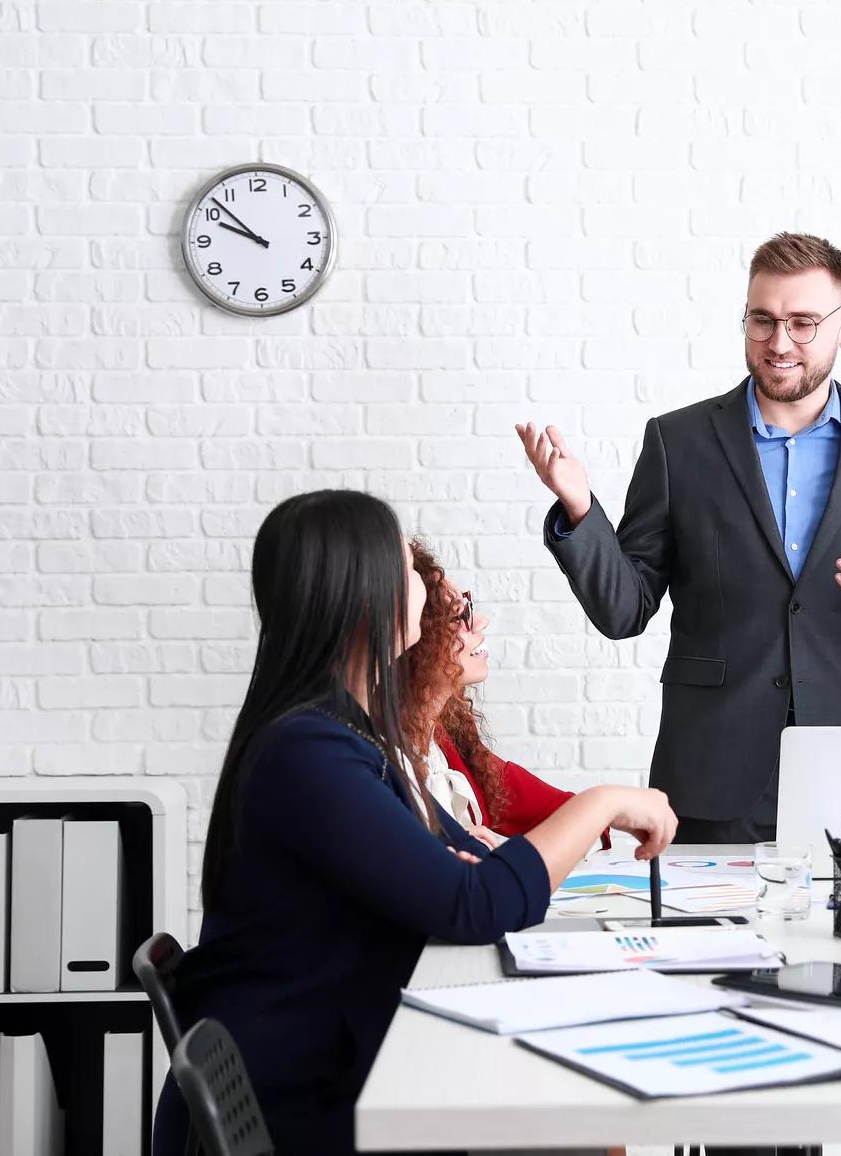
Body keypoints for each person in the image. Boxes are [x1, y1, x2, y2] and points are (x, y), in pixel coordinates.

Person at [152, 490, 677, 1156]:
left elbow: (476, 872)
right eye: (408, 571)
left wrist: (467, 882)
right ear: (360, 594)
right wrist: (604, 801)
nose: (430, 593)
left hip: (342, 1064)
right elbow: (479, 901)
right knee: (575, 1129)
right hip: (310, 1103)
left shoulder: (352, 735)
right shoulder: (308, 752)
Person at [515, 232, 841, 843]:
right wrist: (579, 508)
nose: (779, 343)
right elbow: (624, 610)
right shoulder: (677, 444)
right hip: (712, 768)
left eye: (804, 323)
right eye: (762, 321)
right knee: (707, 939)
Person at [400, 538, 591, 840]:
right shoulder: (380, 759)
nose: (481, 622)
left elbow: (571, 812)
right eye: (459, 615)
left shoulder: (448, 742)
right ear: (415, 639)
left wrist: (613, 808)